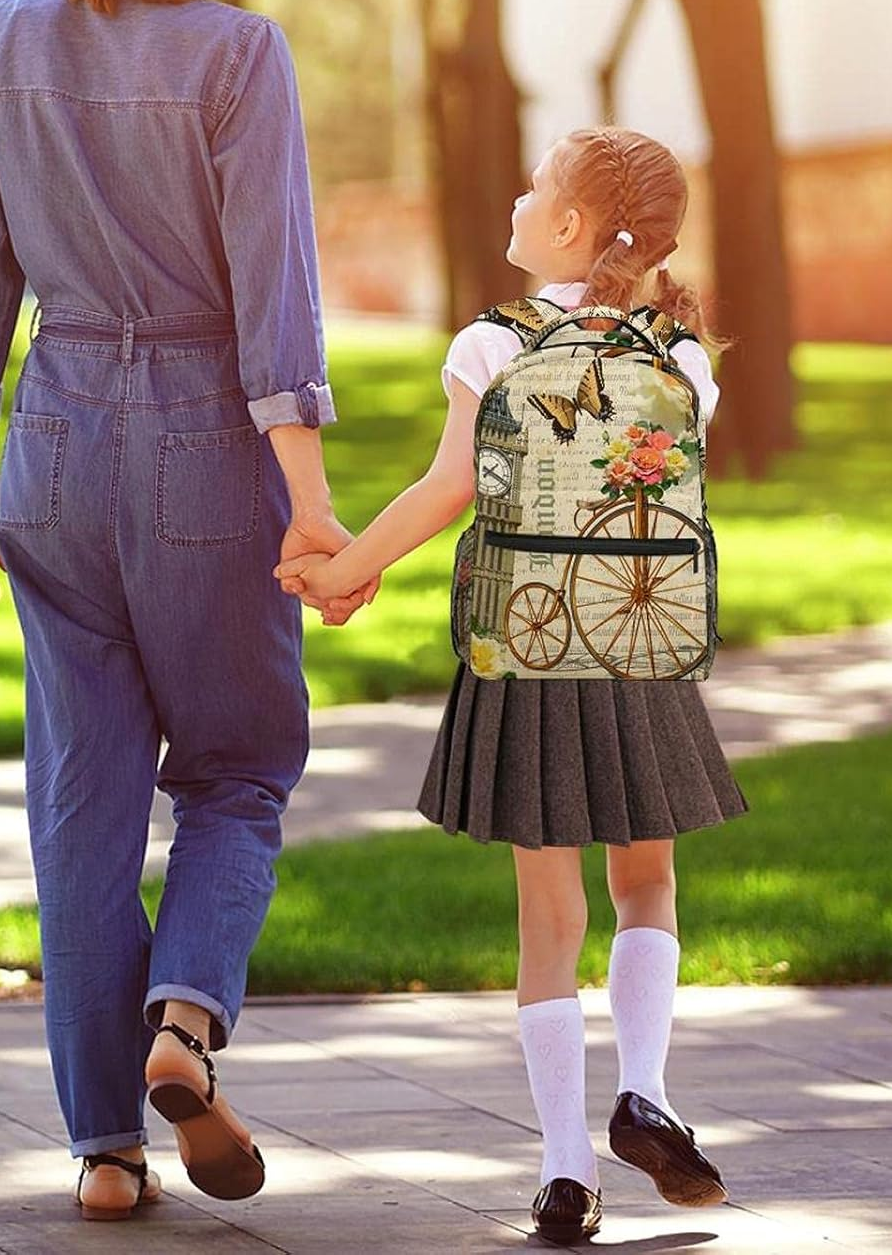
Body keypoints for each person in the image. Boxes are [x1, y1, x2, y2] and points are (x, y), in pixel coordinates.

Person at [0, 0, 375, 1222]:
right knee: (240, 768)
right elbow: (275, 300)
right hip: (203, 444)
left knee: (84, 800)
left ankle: (104, 1150)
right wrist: (312, 504)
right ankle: (186, 1021)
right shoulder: (241, 55)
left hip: (53, 438)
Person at [277, 127, 749, 1246]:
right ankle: (647, 1091)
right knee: (647, 885)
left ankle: (564, 1169)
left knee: (549, 918)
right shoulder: (683, 357)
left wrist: (345, 571)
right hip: (638, 644)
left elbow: (449, 486)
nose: (517, 203)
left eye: (534, 189)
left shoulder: (493, 343)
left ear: (572, 225)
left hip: (525, 652)